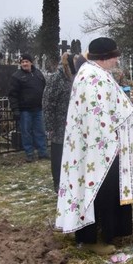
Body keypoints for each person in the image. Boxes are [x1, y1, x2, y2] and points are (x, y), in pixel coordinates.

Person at [55, 37, 133, 255]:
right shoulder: (91, 77)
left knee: (105, 191)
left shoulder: (95, 73)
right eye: (115, 56)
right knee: (99, 191)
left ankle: (107, 232)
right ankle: (95, 238)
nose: (117, 60)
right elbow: (95, 116)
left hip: (102, 147)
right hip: (99, 150)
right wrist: (110, 141)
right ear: (105, 57)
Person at [42, 52, 85, 191]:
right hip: (59, 122)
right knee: (58, 153)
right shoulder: (57, 78)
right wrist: (50, 125)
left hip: (74, 121)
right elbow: (48, 102)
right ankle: (58, 181)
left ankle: (71, 177)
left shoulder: (76, 77)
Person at [8, 53, 47, 162]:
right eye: (22, 62)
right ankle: (29, 153)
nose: (24, 64)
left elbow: (44, 88)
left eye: (26, 61)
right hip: (24, 110)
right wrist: (15, 110)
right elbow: (12, 95)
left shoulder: (38, 74)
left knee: (40, 131)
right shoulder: (16, 76)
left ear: (31, 62)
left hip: (38, 108)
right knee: (26, 133)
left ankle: (42, 152)